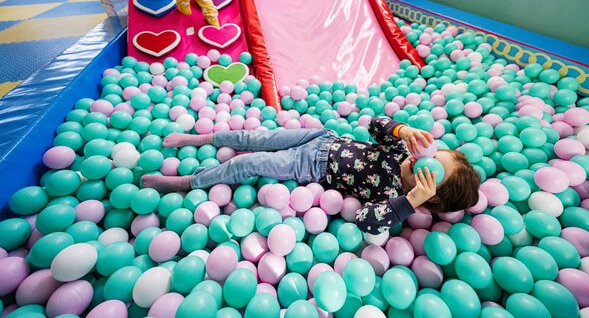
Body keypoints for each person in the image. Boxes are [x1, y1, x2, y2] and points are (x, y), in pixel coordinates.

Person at [142, 117, 481, 234]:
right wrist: (402, 131)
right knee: (254, 137)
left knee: (246, 165)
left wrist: (409, 202)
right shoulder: (400, 150)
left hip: (310, 166)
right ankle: (199, 138)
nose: (421, 158)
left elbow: (366, 220)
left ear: (430, 195)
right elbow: (374, 125)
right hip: (322, 138)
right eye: (431, 153)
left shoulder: (394, 196)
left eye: (431, 169)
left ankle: (188, 181)